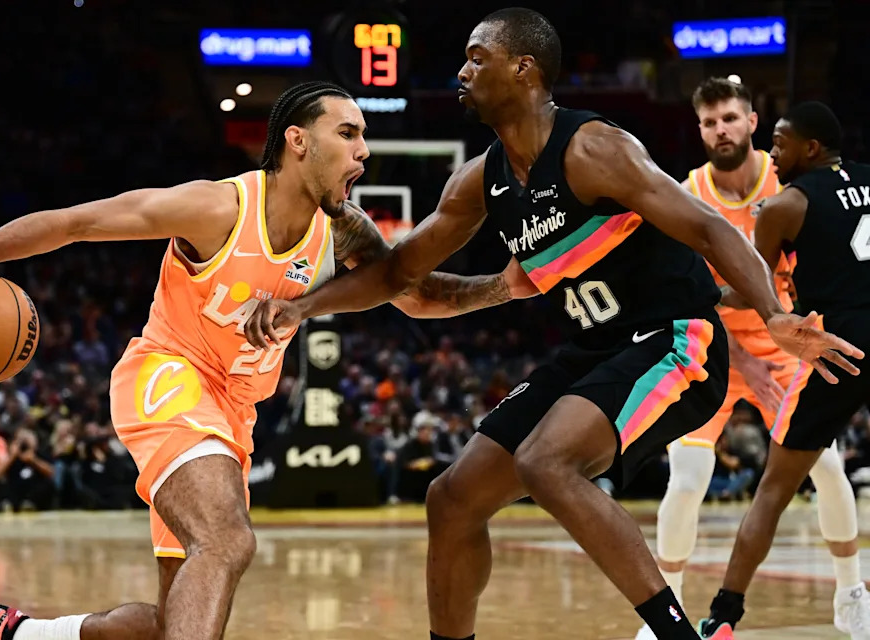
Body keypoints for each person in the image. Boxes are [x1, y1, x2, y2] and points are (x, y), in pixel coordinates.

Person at [243, 11, 862, 640]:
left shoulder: (593, 148)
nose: (462, 71)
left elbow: (707, 227)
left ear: (523, 68)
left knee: (548, 462)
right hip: (594, 349)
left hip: (676, 339)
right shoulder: (482, 180)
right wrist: (303, 304)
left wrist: (775, 314)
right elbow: (401, 271)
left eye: (477, 57)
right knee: (452, 499)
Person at [0, 81, 528, 640]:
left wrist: (503, 287)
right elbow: (80, 223)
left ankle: (26, 634)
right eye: (347, 133)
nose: (363, 151)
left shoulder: (342, 231)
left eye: (363, 136)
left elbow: (415, 294)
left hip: (233, 417)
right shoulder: (217, 209)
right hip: (168, 377)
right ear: (297, 141)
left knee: (172, 622)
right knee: (227, 540)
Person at [637, 79, 869, 640]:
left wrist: (774, 350)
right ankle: (663, 615)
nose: (721, 130)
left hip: (789, 341)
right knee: (689, 478)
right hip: (711, 345)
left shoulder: (787, 182)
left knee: (829, 468)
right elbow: (687, 293)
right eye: (710, 122)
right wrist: (744, 356)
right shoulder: (685, 193)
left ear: (752, 124)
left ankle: (852, 591)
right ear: (700, 130)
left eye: (730, 119)